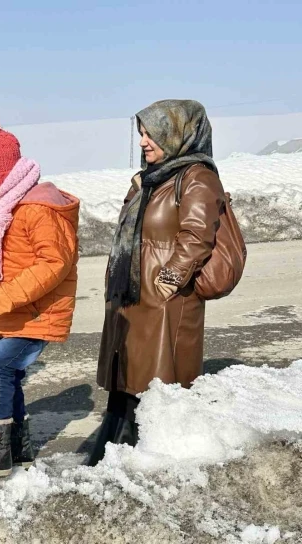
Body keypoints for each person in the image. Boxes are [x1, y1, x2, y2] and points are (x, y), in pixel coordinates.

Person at [89, 99, 225, 466]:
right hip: (135, 293)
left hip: (166, 298)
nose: (143, 142)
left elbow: (198, 234)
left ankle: (152, 459)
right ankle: (115, 452)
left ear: (178, 134)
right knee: (127, 377)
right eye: (142, 134)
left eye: (152, 134)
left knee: (158, 382)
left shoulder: (197, 176)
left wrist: (170, 277)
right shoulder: (152, 178)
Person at [0, 114, 80, 479]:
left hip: (37, 312)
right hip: (21, 312)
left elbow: (55, 262)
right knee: (10, 374)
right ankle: (17, 450)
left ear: (7, 180)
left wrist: (5, 298)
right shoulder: (8, 210)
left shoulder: (37, 209)